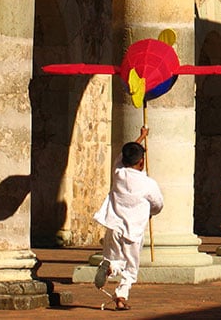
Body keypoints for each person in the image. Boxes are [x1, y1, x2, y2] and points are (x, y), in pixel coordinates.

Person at [93, 126, 164, 311]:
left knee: (115, 259)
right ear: (141, 162)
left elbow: (124, 154)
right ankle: (121, 295)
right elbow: (158, 204)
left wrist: (140, 137)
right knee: (131, 269)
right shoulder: (148, 184)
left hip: (114, 227)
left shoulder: (118, 173)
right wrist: (151, 211)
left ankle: (110, 268)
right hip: (133, 232)